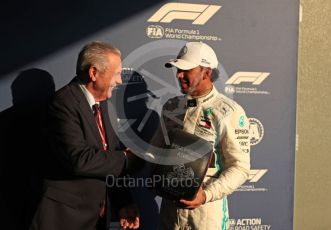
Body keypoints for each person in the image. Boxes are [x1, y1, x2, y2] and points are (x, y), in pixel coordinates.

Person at [30, 41, 140, 230]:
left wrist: (123, 202)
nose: (120, 81)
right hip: (64, 219)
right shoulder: (62, 104)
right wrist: (126, 159)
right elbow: (79, 159)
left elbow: (109, 154)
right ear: (94, 73)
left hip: (96, 218)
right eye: (116, 74)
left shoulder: (104, 105)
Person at [158, 41, 251, 230]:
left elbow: (240, 168)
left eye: (186, 70)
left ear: (206, 72)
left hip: (206, 217)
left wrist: (206, 195)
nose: (178, 75)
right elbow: (157, 153)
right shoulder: (171, 107)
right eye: (177, 69)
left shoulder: (228, 112)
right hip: (170, 215)